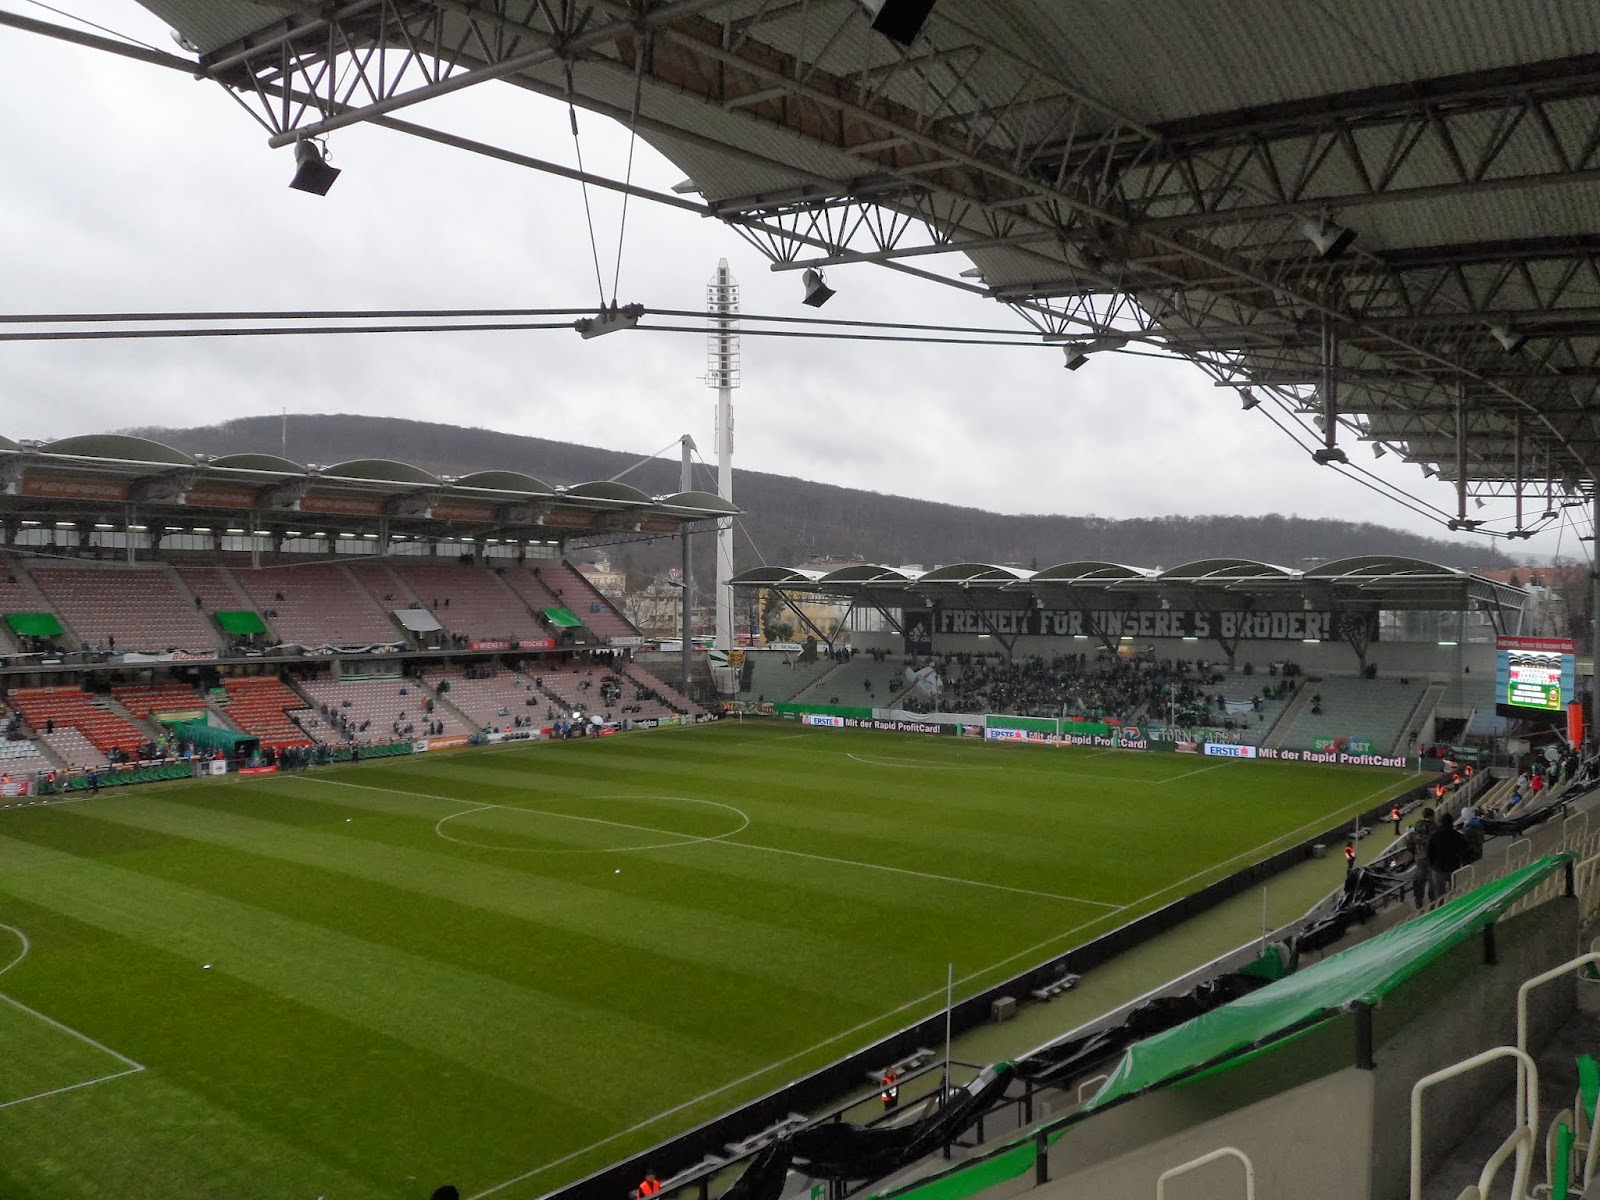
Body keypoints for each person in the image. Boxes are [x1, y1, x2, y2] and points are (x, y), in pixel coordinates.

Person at [1425, 812, 1471, 900]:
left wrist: (1431, 865)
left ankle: (1441, 908)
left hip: (1438, 868)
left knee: (1439, 893)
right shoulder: (1458, 836)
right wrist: (1464, 864)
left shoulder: (1434, 836)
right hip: (1454, 868)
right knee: (1457, 891)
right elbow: (1464, 852)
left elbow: (1429, 852)